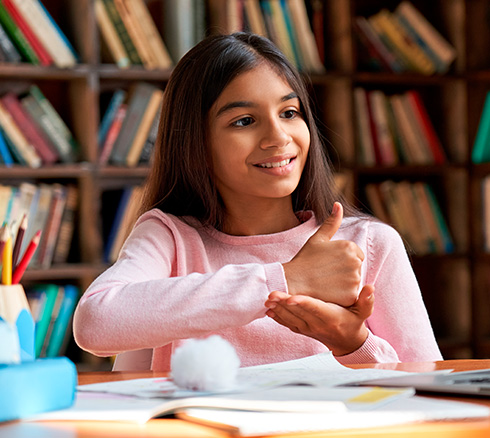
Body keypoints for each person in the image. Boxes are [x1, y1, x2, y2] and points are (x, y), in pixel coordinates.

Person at [73, 32, 442, 371]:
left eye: (289, 113)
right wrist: (287, 278)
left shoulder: (370, 244)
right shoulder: (170, 237)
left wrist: (352, 344)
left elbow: (430, 390)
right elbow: (96, 323)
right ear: (196, 144)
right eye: (245, 120)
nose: (278, 137)